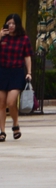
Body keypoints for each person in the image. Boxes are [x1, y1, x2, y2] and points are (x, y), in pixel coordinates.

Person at [0, 13, 31, 141]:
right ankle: (2, 131)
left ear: (17, 25)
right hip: (2, 71)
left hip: (16, 72)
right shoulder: (2, 37)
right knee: (1, 104)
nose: (11, 26)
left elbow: (27, 56)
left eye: (13, 23)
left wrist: (29, 72)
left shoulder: (23, 39)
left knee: (11, 102)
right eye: (9, 23)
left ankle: (15, 123)